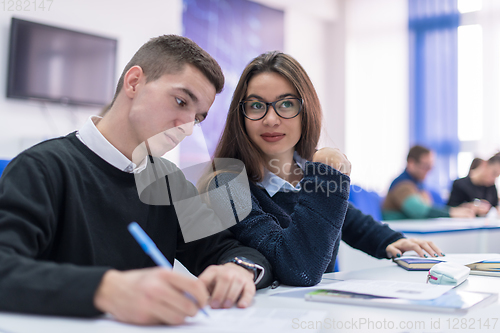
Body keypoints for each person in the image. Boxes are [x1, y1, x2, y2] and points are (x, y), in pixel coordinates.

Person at [0, 35, 273, 325]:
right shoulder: (42, 169)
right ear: (133, 82)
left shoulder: (169, 182)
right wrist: (107, 290)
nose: (187, 128)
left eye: (197, 118)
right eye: (181, 101)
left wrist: (238, 269)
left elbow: (230, 250)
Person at [203, 51, 443, 287]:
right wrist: (325, 174)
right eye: (256, 105)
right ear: (241, 115)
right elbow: (299, 268)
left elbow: (351, 221)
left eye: (286, 104)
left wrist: (393, 241)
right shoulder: (226, 184)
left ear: (306, 112)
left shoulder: (305, 172)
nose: (271, 119)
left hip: (320, 313)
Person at [383, 145, 475, 220]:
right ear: (411, 163)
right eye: (425, 166)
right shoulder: (402, 185)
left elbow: (428, 206)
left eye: (431, 167)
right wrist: (452, 212)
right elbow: (419, 211)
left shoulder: (417, 185)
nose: (429, 171)